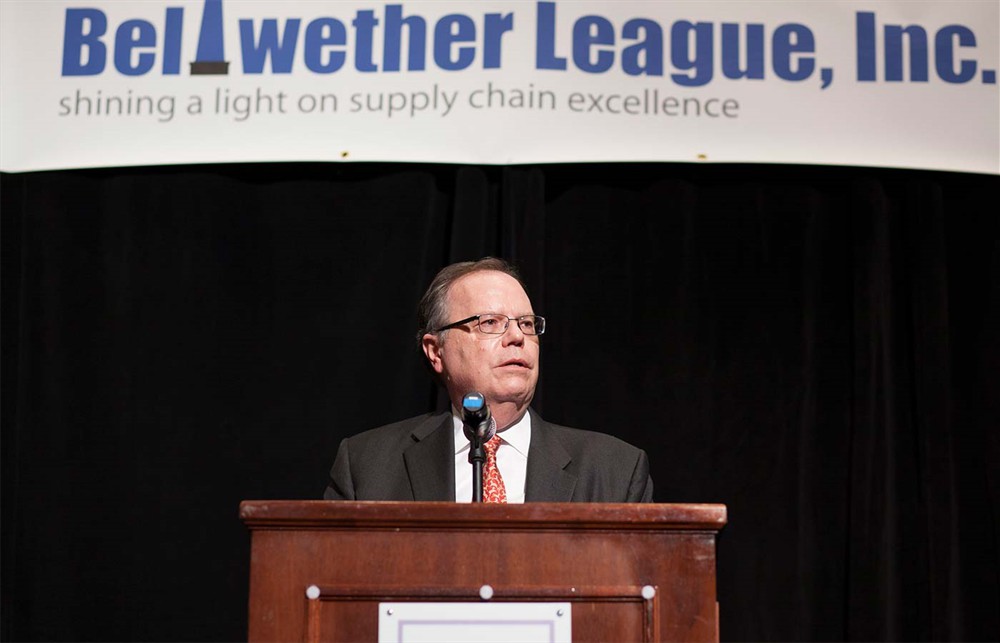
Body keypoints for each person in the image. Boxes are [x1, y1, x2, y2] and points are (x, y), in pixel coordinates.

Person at [323, 257, 653, 502]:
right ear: (436, 351)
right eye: (491, 322)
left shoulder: (615, 469)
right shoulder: (367, 467)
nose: (517, 337)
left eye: (526, 323)